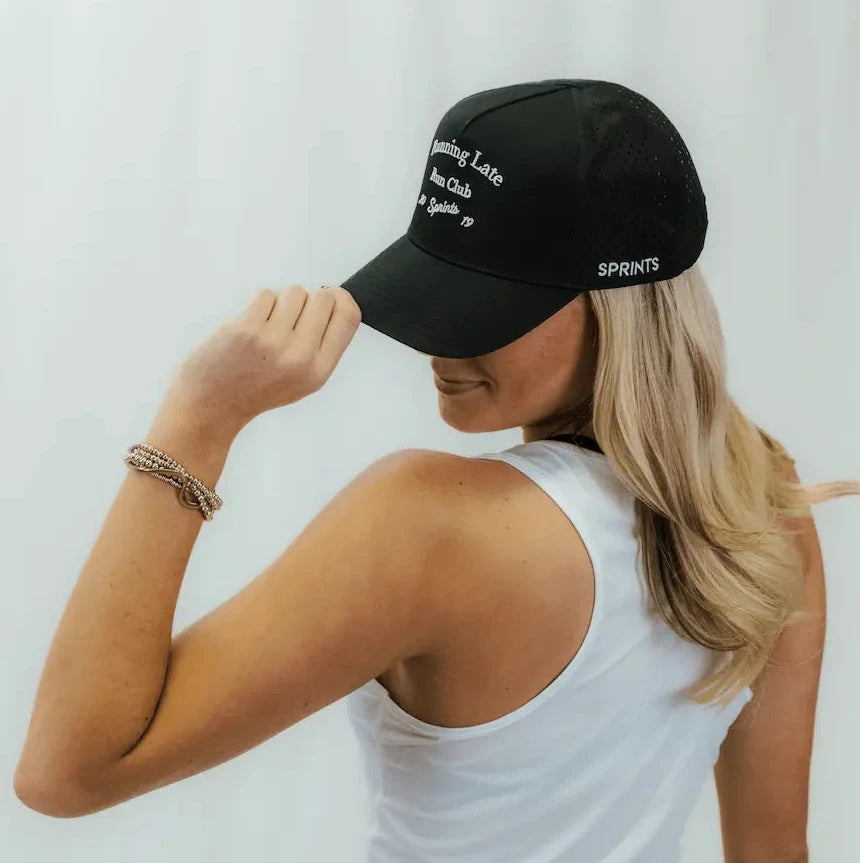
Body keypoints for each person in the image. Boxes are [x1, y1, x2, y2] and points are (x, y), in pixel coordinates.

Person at [14, 79, 857, 863]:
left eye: (490, 304)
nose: (440, 343)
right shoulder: (763, 504)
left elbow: (66, 770)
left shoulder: (427, 523)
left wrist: (199, 418)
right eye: (438, 287)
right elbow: (775, 852)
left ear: (618, 308)